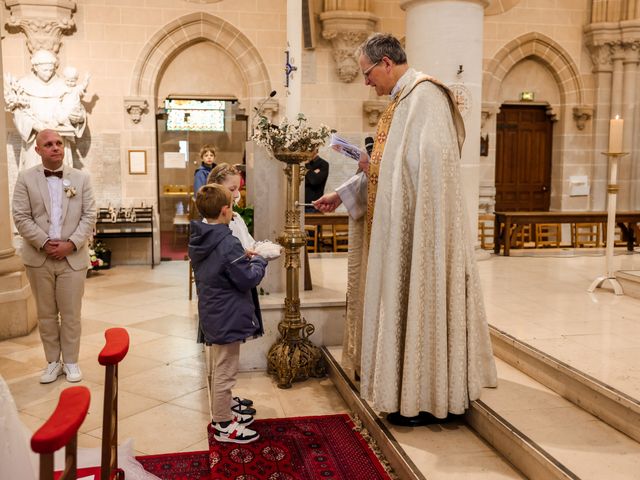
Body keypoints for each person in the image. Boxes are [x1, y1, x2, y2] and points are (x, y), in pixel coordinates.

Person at [314, 33, 497, 426]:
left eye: (367, 73)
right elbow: (388, 167)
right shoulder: (399, 103)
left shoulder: (426, 96)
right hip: (398, 227)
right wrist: (344, 194)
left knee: (419, 301)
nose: (365, 82)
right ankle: (400, 386)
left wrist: (373, 165)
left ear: (385, 63)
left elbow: (424, 170)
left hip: (421, 233)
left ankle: (425, 395)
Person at [12, 129, 97, 384]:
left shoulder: (81, 178)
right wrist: (45, 243)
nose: (55, 147)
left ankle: (70, 361)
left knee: (71, 313)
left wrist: (71, 244)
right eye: (48, 144)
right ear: (38, 150)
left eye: (59, 143)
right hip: (39, 258)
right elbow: (20, 216)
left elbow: (89, 215)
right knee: (46, 314)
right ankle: (52, 362)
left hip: (73, 258)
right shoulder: (25, 178)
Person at [189, 184, 267, 444]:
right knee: (225, 370)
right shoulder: (227, 241)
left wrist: (240, 257)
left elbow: (221, 267)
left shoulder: (202, 236)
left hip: (214, 309)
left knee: (222, 365)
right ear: (225, 211)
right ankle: (223, 424)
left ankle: (224, 412)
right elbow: (247, 279)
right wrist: (259, 260)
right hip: (227, 313)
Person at [5, 49, 87, 170]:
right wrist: (35, 125)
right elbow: (19, 113)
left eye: (51, 69)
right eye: (45, 70)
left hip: (59, 139)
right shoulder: (22, 85)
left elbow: (74, 105)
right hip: (35, 141)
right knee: (35, 177)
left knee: (61, 177)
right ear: (35, 67)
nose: (48, 73)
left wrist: (78, 118)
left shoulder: (64, 84)